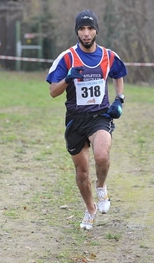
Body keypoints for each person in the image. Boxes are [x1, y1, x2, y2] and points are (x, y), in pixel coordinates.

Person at [46, 10, 127, 230]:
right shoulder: (67, 58)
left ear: (96, 31)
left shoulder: (108, 56)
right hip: (75, 120)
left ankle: (102, 187)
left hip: (99, 116)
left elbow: (119, 73)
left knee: (101, 155)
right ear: (77, 31)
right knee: (82, 173)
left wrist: (119, 99)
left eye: (90, 28)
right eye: (82, 28)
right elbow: (53, 91)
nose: (86, 33)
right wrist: (67, 78)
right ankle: (90, 209)